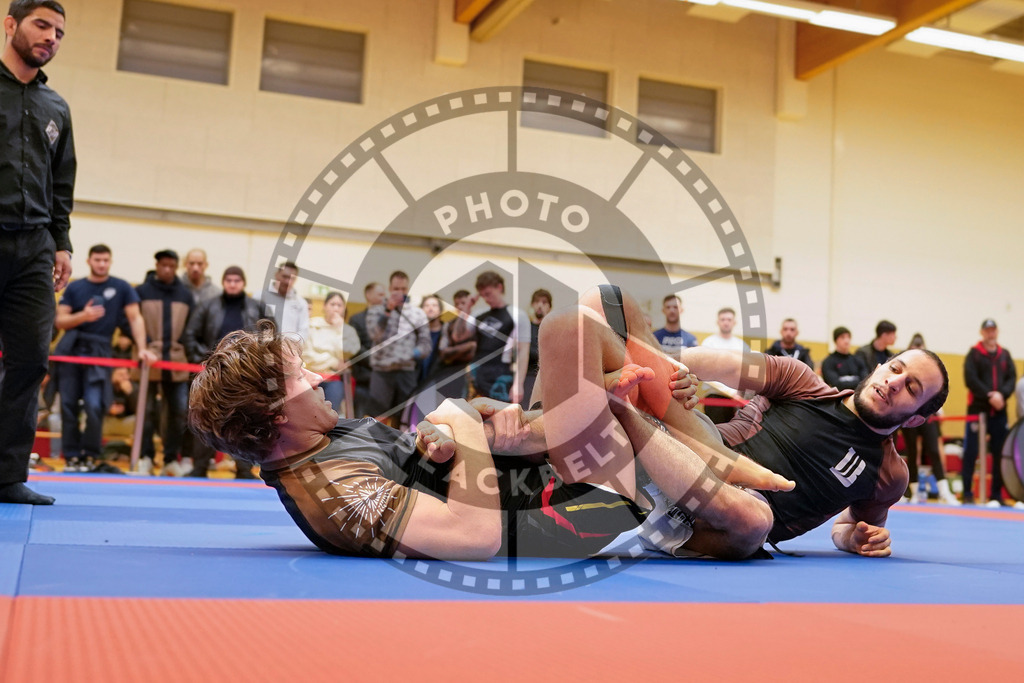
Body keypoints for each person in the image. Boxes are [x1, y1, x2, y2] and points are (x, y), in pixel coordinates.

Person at [187, 312, 784, 561]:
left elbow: (422, 456)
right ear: (273, 419)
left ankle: (695, 437)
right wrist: (464, 426)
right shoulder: (332, 488)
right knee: (753, 522)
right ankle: (687, 445)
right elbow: (473, 537)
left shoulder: (325, 434)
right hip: (563, 506)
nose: (318, 377)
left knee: (593, 315)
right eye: (298, 380)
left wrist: (462, 424)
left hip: (527, 465)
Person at [584, 286, 948, 556]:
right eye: (895, 368)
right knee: (608, 298)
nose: (893, 382)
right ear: (881, 365)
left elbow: (848, 526)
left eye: (911, 388)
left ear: (917, 419)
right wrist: (667, 369)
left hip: (729, 515)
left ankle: (659, 525)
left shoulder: (889, 475)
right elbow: (721, 364)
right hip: (690, 451)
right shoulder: (802, 380)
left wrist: (855, 539)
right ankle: (565, 408)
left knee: (755, 522)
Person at [0, 0, 74, 505]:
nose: (51, 36)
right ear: (11, 25)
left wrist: (62, 243)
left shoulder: (57, 108)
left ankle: (6, 476)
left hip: (35, 249)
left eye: (59, 32)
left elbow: (62, 182)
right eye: (41, 25)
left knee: (30, 360)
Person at [54, 244, 155, 471]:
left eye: (105, 260)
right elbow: (60, 321)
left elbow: (135, 318)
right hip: (71, 349)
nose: (101, 264)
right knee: (69, 405)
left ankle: (89, 455)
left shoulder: (121, 287)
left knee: (94, 404)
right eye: (97, 260)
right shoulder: (75, 287)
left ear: (110, 262)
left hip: (100, 351)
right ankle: (71, 456)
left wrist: (141, 348)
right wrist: (84, 316)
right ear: (89, 261)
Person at [183, 265, 264, 477]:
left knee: (245, 420)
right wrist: (205, 361)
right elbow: (190, 335)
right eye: (229, 280)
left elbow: (270, 337)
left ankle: (244, 468)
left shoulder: (258, 307)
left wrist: (258, 365)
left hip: (246, 373)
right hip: (213, 372)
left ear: (243, 283)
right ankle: (200, 466)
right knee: (205, 417)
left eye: (237, 280)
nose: (233, 284)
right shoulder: (207, 306)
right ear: (223, 282)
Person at [135, 249, 193, 476]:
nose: (167, 269)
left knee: (179, 410)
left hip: (177, 360)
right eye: (163, 265)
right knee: (146, 410)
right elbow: (130, 321)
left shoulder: (185, 294)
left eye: (171, 265)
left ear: (176, 267)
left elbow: (191, 327)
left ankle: (170, 458)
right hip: (147, 359)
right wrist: (144, 344)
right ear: (157, 265)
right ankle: (146, 457)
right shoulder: (141, 291)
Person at [961, 319, 1017, 506]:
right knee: (971, 451)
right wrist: (988, 395)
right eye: (987, 330)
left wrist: (1002, 395)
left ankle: (996, 495)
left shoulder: (1005, 355)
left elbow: (1011, 378)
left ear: (997, 332)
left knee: (1000, 452)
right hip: (978, 410)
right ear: (982, 332)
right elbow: (971, 379)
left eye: (993, 330)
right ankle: (968, 493)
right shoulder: (974, 354)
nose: (990, 333)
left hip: (1000, 411)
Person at [899, 334, 958, 505]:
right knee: (912, 452)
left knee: (933, 449)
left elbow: (937, 389)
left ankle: (944, 490)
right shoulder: (904, 368)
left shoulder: (930, 366)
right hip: (909, 413)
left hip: (927, 414)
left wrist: (939, 409)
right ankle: (915, 491)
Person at [365, 270, 431, 421]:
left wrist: (411, 354)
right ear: (389, 288)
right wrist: (388, 310)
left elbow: (426, 344)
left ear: (407, 290)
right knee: (378, 419)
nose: (400, 293)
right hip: (381, 372)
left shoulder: (418, 313)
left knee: (404, 419)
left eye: (403, 289)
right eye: (396, 289)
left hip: (406, 372)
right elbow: (375, 335)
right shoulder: (376, 309)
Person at [469, 270, 530, 403]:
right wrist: (467, 307)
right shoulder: (478, 314)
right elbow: (459, 337)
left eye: (488, 294)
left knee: (501, 418)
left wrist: (518, 384)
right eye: (482, 295)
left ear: (499, 288)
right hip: (476, 372)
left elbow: (523, 351)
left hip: (500, 373)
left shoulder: (517, 315)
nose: (486, 299)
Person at [302, 291, 358, 414]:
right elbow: (307, 355)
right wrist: (333, 361)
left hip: (334, 379)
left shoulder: (349, 331)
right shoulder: (312, 325)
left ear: (344, 308)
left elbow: (348, 353)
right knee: (308, 413)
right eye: (332, 304)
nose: (336, 308)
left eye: (339, 305)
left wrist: (339, 330)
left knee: (330, 413)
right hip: (311, 376)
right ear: (325, 306)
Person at [699, 307, 749, 424]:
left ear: (734, 322)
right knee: (717, 435)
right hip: (715, 398)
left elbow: (747, 372)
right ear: (718, 322)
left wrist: (740, 394)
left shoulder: (741, 346)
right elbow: (705, 373)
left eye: (729, 319)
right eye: (723, 319)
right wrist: (730, 393)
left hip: (738, 399)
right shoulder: (709, 343)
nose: (726, 322)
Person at [347, 281, 384, 418]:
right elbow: (355, 347)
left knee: (381, 420)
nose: (383, 297)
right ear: (368, 295)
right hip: (363, 377)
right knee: (359, 419)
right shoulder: (356, 319)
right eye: (380, 294)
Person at [261, 261, 308, 341]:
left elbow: (303, 332)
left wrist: (288, 345)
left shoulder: (301, 303)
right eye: (285, 277)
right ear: (276, 275)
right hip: (263, 349)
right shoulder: (260, 297)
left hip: (289, 349)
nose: (287, 281)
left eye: (292, 278)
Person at [522, 288, 551, 408]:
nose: (540, 305)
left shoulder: (552, 329)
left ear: (549, 307)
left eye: (544, 302)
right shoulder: (525, 328)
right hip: (527, 377)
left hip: (546, 379)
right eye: (537, 302)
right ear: (532, 305)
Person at [821, 326, 868, 391]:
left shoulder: (857, 360)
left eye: (848, 337)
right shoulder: (828, 362)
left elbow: (865, 381)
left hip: (856, 395)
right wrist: (857, 380)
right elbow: (835, 384)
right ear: (836, 340)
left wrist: (844, 381)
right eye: (842, 337)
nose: (847, 341)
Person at [653, 294, 697, 359]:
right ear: (663, 310)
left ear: (681, 310)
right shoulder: (654, 337)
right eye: (668, 307)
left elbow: (694, 362)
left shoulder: (690, 339)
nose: (672, 311)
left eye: (675, 307)